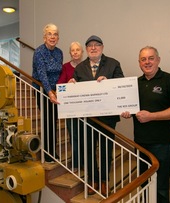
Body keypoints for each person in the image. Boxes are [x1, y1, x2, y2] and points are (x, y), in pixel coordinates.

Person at [121, 46, 170, 203]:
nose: (147, 62)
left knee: (161, 185)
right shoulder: (135, 83)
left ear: (158, 60)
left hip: (162, 143)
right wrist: (126, 112)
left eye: (150, 58)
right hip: (141, 144)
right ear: (139, 63)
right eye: (143, 59)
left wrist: (152, 116)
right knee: (144, 183)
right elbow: (126, 105)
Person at [69, 35, 124, 196]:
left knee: (106, 150)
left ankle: (104, 180)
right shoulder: (80, 67)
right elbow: (76, 90)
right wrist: (72, 85)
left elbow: (121, 84)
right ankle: (93, 179)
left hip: (107, 118)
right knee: (89, 150)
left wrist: (109, 82)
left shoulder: (113, 64)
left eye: (97, 45)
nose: (93, 48)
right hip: (87, 118)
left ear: (102, 47)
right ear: (86, 49)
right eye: (90, 45)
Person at [32, 23, 62, 163]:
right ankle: (47, 152)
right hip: (42, 89)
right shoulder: (39, 52)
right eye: (49, 34)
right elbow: (42, 74)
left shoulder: (59, 52)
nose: (52, 37)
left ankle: (52, 150)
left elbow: (61, 73)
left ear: (58, 37)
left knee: (54, 120)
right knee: (47, 119)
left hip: (55, 91)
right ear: (44, 37)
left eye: (55, 34)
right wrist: (49, 92)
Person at [57, 42, 84, 172]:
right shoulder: (66, 67)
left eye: (77, 50)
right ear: (70, 53)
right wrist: (68, 83)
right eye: (72, 50)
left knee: (86, 136)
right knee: (74, 136)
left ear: (82, 52)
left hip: (86, 108)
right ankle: (75, 163)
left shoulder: (87, 66)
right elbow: (59, 84)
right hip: (71, 109)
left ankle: (86, 163)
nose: (75, 52)